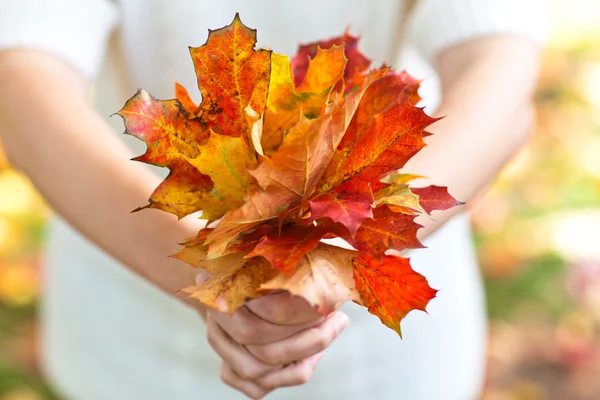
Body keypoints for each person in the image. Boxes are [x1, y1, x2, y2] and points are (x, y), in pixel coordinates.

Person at [0, 1, 545, 399]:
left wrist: (336, 258)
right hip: (132, 330)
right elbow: (24, 77)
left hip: (384, 357)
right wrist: (214, 274)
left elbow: (499, 63)